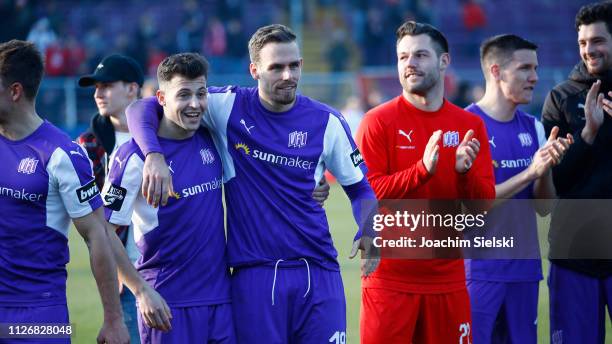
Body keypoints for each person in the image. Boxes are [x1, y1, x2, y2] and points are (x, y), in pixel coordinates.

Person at [126, 24, 378, 343]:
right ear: (254, 70)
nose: (288, 75)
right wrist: (153, 154)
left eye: (294, 65)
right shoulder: (226, 106)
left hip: (319, 272)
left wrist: (369, 229)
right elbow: (143, 106)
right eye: (276, 67)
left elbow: (360, 189)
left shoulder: (326, 121)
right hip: (255, 277)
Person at [355, 21, 495, 343]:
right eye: (403, 57)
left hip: (448, 283)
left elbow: (483, 204)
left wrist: (464, 174)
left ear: (444, 62)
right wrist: (422, 170)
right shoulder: (377, 122)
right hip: (388, 282)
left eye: (420, 55)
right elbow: (367, 193)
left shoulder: (469, 125)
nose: (410, 64)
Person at [0, 40, 129, 344]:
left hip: (39, 313)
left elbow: (96, 235)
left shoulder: (61, 154)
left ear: (15, 92)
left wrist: (113, 319)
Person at [103, 52, 235, 343]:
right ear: (161, 99)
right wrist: (140, 290)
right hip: (165, 303)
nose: (195, 104)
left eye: (201, 94)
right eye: (183, 95)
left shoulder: (211, 137)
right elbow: (103, 230)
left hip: (221, 300)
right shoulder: (132, 156)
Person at [464, 34, 572, 343]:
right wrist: (530, 172)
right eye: (525, 68)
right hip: (478, 272)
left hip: (524, 272)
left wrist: (546, 169)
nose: (534, 77)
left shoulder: (534, 127)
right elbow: (471, 205)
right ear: (496, 71)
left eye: (535, 68)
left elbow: (543, 207)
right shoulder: (465, 125)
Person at [541, 2, 612, 343]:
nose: (589, 50)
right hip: (575, 254)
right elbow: (554, 182)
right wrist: (587, 134)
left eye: (597, 41)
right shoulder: (561, 98)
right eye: (583, 43)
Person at [77, 53, 146, 344]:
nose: (98, 93)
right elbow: (93, 220)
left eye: (106, 85)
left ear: (132, 88)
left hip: (175, 268)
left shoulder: (163, 134)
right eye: (95, 87)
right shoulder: (88, 146)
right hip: (128, 276)